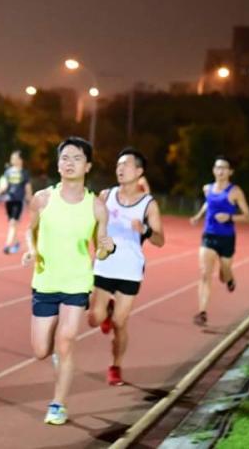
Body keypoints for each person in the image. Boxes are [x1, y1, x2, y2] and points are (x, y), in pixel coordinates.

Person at [21, 136, 114, 426]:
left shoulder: (96, 206)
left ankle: (58, 405)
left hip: (77, 281)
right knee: (40, 350)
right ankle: (57, 357)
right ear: (58, 164)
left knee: (66, 341)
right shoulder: (42, 198)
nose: (69, 163)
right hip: (45, 281)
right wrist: (32, 249)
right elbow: (30, 229)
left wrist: (107, 248)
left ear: (88, 166)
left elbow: (101, 247)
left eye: (76, 158)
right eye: (64, 158)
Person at [88, 148, 165, 386]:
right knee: (94, 319)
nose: (120, 169)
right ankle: (107, 310)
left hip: (130, 269)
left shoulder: (148, 205)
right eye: (118, 165)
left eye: (126, 165)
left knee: (120, 324)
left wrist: (145, 230)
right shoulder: (106, 195)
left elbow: (160, 240)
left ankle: (115, 366)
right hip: (105, 265)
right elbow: (91, 225)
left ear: (139, 171)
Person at [189, 156, 249, 326]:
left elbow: (247, 216)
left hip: (227, 238)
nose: (220, 171)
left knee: (224, 273)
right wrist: (198, 216)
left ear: (230, 172)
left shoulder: (235, 191)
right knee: (205, 274)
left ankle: (229, 278)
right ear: (213, 170)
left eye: (224, 168)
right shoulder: (207, 188)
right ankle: (202, 312)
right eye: (217, 167)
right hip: (209, 235)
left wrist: (229, 217)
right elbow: (208, 204)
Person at [0, 151, 33, 254]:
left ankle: (7, 245)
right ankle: (16, 243)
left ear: (20, 160)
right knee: (12, 224)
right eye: (12, 158)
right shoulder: (8, 172)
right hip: (9, 201)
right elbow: (4, 185)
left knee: (13, 223)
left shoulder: (24, 173)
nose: (13, 160)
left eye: (15, 158)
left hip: (19, 201)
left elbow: (28, 188)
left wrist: (30, 200)